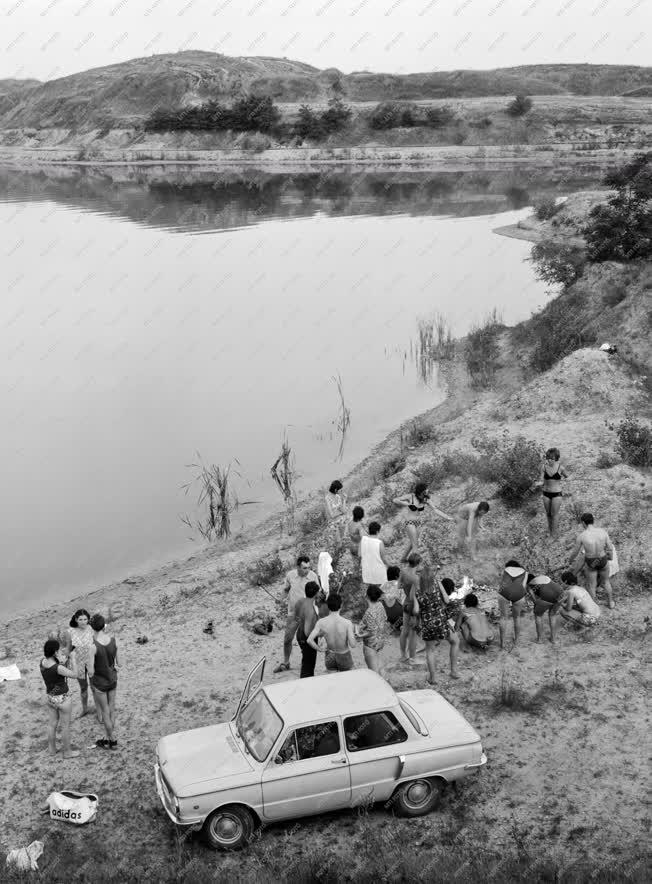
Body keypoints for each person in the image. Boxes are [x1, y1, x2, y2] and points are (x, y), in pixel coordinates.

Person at [413, 565, 460, 682]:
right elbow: (447, 600)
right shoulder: (437, 584)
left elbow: (416, 611)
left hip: (428, 624)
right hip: (441, 621)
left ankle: (433, 678)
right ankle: (454, 671)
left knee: (430, 650)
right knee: (455, 641)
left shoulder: (417, 590)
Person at [274, 555, 319, 673]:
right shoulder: (290, 575)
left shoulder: (313, 576)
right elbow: (286, 589)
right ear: (297, 567)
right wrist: (281, 599)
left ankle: (306, 661)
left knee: (305, 639)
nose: (307, 570)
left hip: (307, 615)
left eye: (308, 567)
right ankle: (286, 662)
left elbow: (317, 594)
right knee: (287, 639)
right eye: (304, 568)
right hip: (293, 614)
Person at [393, 482, 454, 562]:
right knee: (415, 544)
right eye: (426, 489)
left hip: (418, 523)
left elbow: (435, 510)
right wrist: (406, 504)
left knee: (412, 543)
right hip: (409, 522)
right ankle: (416, 565)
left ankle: (403, 559)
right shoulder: (411, 496)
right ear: (422, 491)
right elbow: (395, 500)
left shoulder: (426, 499)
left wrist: (447, 517)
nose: (428, 490)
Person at [40, 638, 80, 759]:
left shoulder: (42, 662)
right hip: (63, 698)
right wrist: (73, 659)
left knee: (52, 724)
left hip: (51, 696)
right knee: (65, 726)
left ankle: (52, 749)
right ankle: (67, 752)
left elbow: (55, 671)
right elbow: (75, 675)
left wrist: (63, 661)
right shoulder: (58, 668)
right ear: (54, 652)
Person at [568, 513, 615, 608]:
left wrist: (570, 560)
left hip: (591, 562)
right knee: (606, 582)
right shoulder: (603, 532)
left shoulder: (582, 536)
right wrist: (610, 557)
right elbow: (610, 548)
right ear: (593, 521)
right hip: (602, 559)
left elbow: (575, 552)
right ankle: (610, 602)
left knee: (591, 585)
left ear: (583, 523)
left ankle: (595, 605)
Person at [88, 614, 119, 750]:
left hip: (100, 683)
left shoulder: (93, 646)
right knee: (111, 708)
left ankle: (111, 739)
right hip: (112, 679)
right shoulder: (113, 640)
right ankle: (108, 738)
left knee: (105, 711)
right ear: (104, 625)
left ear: (92, 628)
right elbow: (120, 663)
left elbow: (90, 672)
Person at [307, 593, 356, 672]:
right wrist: (354, 634)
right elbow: (353, 645)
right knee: (346, 681)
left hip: (330, 655)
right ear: (341, 605)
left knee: (333, 680)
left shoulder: (321, 622)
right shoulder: (347, 623)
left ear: (328, 606)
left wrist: (319, 649)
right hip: (344, 655)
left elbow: (309, 640)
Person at [66, 609, 97, 720]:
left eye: (85, 619)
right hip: (78, 664)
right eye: (81, 619)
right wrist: (66, 659)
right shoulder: (70, 631)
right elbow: (68, 648)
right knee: (83, 688)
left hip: (91, 662)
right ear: (76, 619)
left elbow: (96, 644)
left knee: (94, 687)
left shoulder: (91, 629)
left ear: (88, 619)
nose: (83, 622)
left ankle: (99, 709)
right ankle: (85, 709)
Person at [497, 559, 530, 650]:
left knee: (503, 617)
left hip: (504, 592)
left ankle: (502, 643)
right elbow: (523, 586)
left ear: (508, 565)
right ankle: (516, 641)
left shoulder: (505, 569)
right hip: (518, 593)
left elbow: (501, 583)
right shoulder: (525, 572)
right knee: (517, 617)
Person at [356, 585, 388, 676]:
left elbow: (370, 631)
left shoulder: (369, 612)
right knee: (379, 664)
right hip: (380, 640)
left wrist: (359, 635)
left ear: (367, 596)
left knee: (374, 672)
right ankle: (386, 682)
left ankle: (380, 687)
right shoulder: (380, 605)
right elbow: (385, 619)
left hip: (370, 644)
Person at [527, 575, 564, 644]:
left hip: (547, 594)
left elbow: (533, 596)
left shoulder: (529, 584)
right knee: (552, 615)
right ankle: (553, 639)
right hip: (561, 593)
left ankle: (540, 640)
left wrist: (537, 604)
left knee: (538, 615)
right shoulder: (542, 577)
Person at [399, 554, 422, 664]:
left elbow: (399, 586)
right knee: (413, 633)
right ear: (417, 563)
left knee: (404, 631)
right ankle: (412, 658)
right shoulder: (416, 578)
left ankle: (403, 655)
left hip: (405, 603)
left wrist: (406, 585)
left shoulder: (403, 571)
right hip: (414, 605)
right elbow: (418, 594)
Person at [294, 581, 320, 679]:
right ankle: (306, 685)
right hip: (306, 638)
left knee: (306, 661)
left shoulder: (300, 601)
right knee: (308, 667)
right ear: (316, 593)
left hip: (299, 634)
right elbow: (308, 632)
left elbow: (296, 617)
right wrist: (319, 632)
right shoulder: (310, 610)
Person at [540, 448, 569, 536]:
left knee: (554, 514)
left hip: (557, 493)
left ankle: (554, 534)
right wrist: (538, 483)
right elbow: (541, 480)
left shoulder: (561, 468)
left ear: (556, 459)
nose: (550, 460)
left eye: (552, 458)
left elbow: (567, 476)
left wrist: (568, 478)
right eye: (548, 458)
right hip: (546, 493)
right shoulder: (543, 467)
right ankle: (550, 531)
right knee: (548, 514)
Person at [360, 521, 390, 586]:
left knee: (371, 588)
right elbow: (384, 559)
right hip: (378, 572)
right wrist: (390, 566)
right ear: (377, 532)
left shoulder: (363, 540)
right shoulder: (379, 543)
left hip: (366, 571)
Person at [324, 480, 347, 544]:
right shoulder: (327, 498)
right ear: (336, 490)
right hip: (333, 523)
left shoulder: (338, 497)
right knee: (338, 541)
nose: (342, 491)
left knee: (342, 539)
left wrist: (344, 500)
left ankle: (341, 552)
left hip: (341, 521)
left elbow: (344, 511)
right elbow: (331, 515)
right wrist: (340, 513)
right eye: (340, 490)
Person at [381, 565, 403, 629]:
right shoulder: (400, 585)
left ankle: (393, 624)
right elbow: (403, 601)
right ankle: (401, 625)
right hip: (398, 613)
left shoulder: (383, 585)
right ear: (397, 576)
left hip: (386, 614)